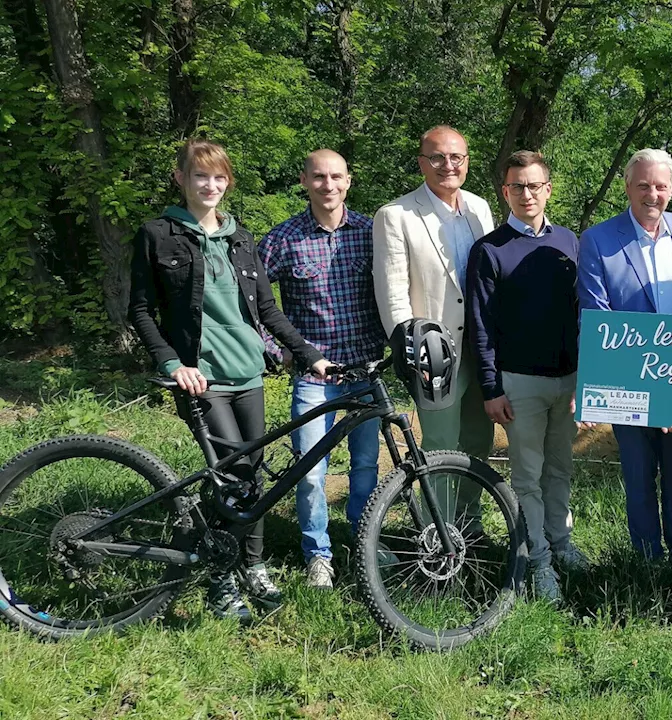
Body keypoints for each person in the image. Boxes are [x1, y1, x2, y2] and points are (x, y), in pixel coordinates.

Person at [128, 138, 333, 621]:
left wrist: (308, 355)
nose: (212, 185)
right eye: (202, 176)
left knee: (253, 476)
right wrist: (172, 363)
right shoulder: (158, 234)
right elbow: (139, 310)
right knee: (229, 475)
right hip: (202, 379)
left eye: (220, 177)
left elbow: (266, 309)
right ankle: (221, 581)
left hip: (248, 374)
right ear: (181, 179)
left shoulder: (241, 238)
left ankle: (253, 567)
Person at [258, 149, 383, 589]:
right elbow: (248, 296)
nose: (327, 185)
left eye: (336, 177)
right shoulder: (283, 239)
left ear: (348, 181)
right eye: (318, 177)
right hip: (313, 378)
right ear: (304, 180)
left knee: (366, 465)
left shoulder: (371, 232)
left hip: (367, 372)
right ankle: (319, 554)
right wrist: (275, 347)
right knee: (311, 472)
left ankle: (364, 539)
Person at [577, 148, 672, 569]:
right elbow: (597, 317)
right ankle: (646, 561)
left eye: (661, 186)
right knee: (638, 475)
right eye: (644, 185)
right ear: (628, 187)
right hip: (628, 383)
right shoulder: (599, 239)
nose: (653, 194)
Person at [467, 151, 585, 603]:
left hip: (568, 379)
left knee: (561, 469)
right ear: (506, 192)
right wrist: (491, 388)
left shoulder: (570, 242)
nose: (527, 194)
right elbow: (481, 325)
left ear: (548, 189)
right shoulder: (490, 249)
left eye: (535, 185)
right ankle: (536, 559)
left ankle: (561, 543)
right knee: (527, 476)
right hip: (519, 382)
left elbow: (583, 312)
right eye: (518, 186)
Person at [373, 126, 495, 534]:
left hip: (482, 350)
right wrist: (413, 354)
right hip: (435, 356)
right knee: (441, 449)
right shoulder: (396, 215)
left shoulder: (480, 208)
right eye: (438, 157)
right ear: (422, 162)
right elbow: (392, 295)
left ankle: (469, 524)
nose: (448, 165)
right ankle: (434, 535)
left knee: (479, 442)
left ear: (467, 161)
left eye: (456, 157)